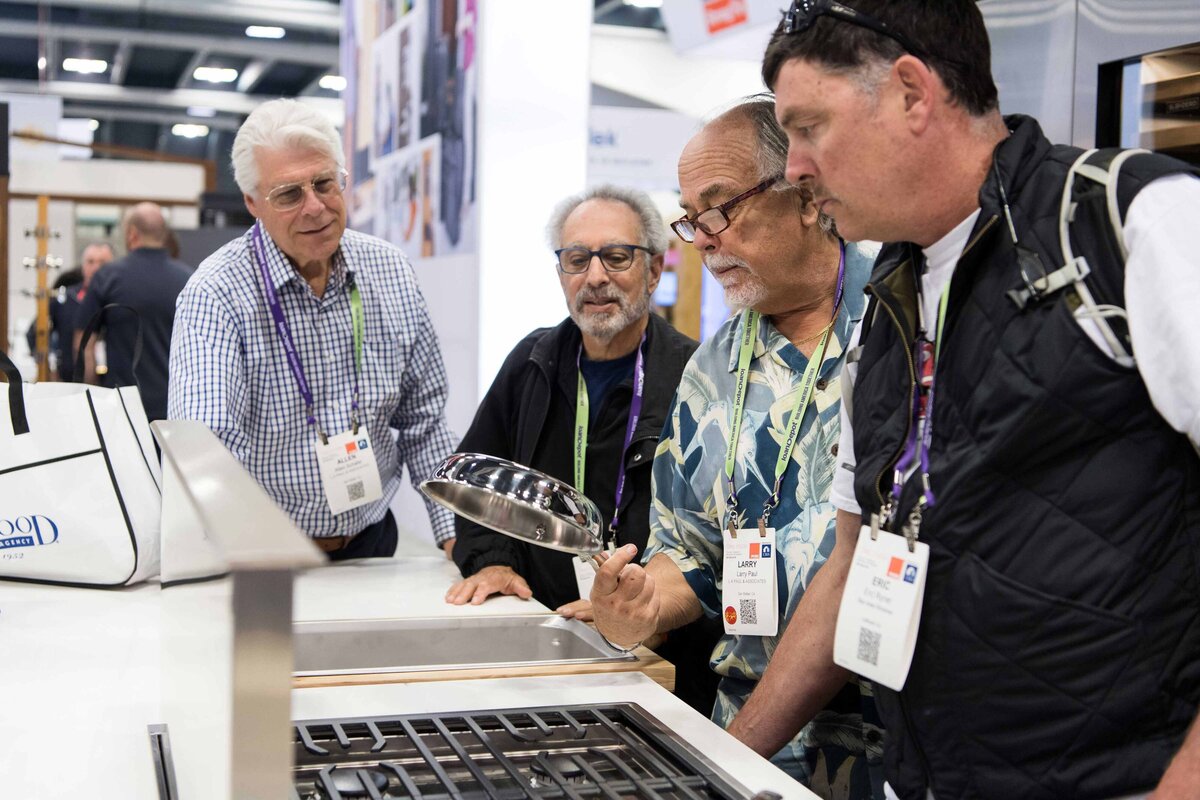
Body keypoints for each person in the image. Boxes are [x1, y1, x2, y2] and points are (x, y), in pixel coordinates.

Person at [732, 3, 1200, 799]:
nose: (796, 168)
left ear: (912, 92)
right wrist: (724, 765)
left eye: (809, 128)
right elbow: (850, 568)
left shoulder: (1128, 221)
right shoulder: (887, 302)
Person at [590, 97, 881, 799]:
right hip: (749, 732)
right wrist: (640, 599)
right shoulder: (712, 368)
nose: (703, 239)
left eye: (719, 208)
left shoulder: (903, 332)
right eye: (690, 218)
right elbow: (688, 551)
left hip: (885, 744)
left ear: (806, 195)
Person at [445, 185, 722, 715]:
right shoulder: (533, 360)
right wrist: (494, 562)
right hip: (543, 639)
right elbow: (475, 479)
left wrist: (648, 613)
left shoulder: (697, 377)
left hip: (658, 660)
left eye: (616, 257)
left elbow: (714, 536)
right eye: (577, 259)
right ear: (561, 274)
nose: (595, 277)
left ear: (654, 270)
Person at [168, 98, 457, 559]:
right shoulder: (216, 295)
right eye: (288, 194)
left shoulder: (391, 272)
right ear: (252, 203)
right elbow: (210, 449)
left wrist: (457, 538)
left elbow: (425, 423)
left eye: (325, 183)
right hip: (264, 555)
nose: (315, 207)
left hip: (373, 542)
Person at [77, 206, 191, 420]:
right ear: (164, 234)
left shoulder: (107, 277)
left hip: (121, 407)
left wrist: (91, 398)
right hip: (174, 408)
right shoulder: (188, 279)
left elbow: (84, 346)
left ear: (132, 233)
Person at [26, 241, 113, 381]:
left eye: (102, 262)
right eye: (90, 262)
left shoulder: (119, 300)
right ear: (83, 265)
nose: (96, 268)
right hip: (67, 381)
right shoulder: (65, 298)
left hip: (111, 385)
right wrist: (47, 369)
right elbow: (34, 333)